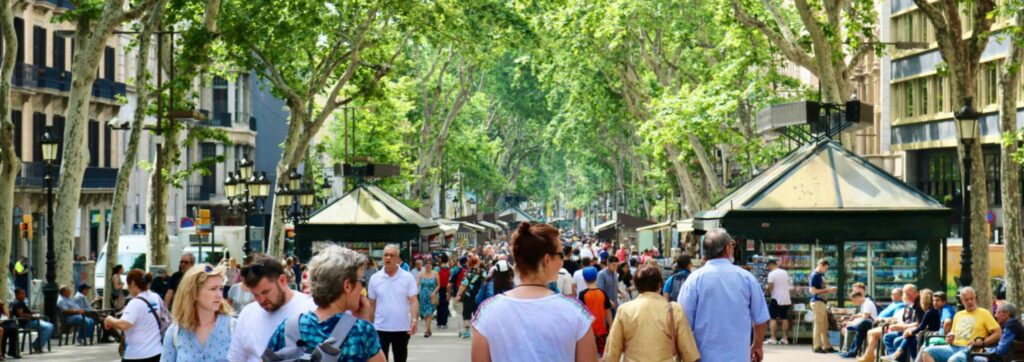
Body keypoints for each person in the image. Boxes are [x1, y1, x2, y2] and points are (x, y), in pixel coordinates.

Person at [471, 222, 597, 362]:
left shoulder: (487, 312)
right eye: (560, 255)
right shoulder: (576, 313)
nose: (562, 261)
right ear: (547, 259)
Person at [265, 245, 383, 361]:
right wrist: (365, 321)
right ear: (347, 285)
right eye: (361, 281)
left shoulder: (288, 327)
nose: (362, 288)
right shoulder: (361, 332)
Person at [677, 228, 770, 362]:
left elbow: (683, 322)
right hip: (738, 357)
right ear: (727, 248)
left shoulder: (694, 279)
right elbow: (760, 318)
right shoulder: (746, 278)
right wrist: (757, 345)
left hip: (703, 356)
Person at [226, 255, 315, 362]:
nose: (261, 300)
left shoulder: (310, 308)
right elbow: (236, 358)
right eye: (255, 294)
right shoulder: (248, 313)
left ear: (282, 281)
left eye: (266, 292)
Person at [605, 265, 700, 362]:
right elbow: (689, 351)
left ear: (637, 286)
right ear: (660, 285)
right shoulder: (674, 309)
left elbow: (612, 351)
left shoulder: (624, 310)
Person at [161, 264, 234, 361]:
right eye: (213, 289)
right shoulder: (176, 331)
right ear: (194, 293)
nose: (219, 295)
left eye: (221, 288)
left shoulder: (233, 328)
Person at [919, 287, 1001, 362]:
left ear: (975, 299)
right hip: (953, 347)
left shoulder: (984, 313)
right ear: (962, 301)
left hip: (970, 349)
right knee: (926, 351)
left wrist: (982, 342)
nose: (970, 302)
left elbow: (998, 333)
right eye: (966, 300)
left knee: (954, 359)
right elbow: (952, 332)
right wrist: (949, 336)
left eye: (971, 299)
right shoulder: (958, 314)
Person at [368, 244, 418, 362]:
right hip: (380, 328)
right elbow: (371, 304)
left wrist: (414, 319)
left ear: (397, 258)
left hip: (401, 328)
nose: (388, 258)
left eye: (392, 255)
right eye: (386, 255)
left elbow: (414, 300)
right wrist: (369, 324)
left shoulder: (407, 277)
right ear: (382, 257)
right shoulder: (375, 278)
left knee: (400, 358)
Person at [103, 269, 166, 362]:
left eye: (128, 285)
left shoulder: (135, 303)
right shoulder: (156, 297)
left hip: (137, 354)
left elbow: (124, 325)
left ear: (132, 283)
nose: (128, 288)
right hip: (157, 352)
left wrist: (109, 319)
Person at [864, 284, 922, 362]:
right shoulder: (908, 305)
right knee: (887, 337)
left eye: (910, 292)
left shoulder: (918, 306)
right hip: (904, 330)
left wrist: (901, 326)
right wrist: (898, 324)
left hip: (914, 332)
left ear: (917, 293)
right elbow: (905, 319)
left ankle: (896, 358)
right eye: (905, 293)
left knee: (897, 340)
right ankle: (894, 359)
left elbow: (918, 323)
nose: (907, 295)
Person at [883, 288, 939, 362]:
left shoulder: (929, 312)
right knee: (907, 338)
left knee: (908, 337)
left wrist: (910, 332)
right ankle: (898, 355)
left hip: (928, 336)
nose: (920, 301)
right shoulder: (932, 310)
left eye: (921, 299)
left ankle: (898, 355)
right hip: (926, 334)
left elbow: (921, 326)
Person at [578, 267, 611, 356]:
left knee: (590, 355)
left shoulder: (582, 294)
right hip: (602, 330)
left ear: (584, 279)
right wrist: (611, 327)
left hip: (588, 331)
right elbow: (608, 312)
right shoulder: (602, 292)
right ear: (596, 277)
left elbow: (582, 314)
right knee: (602, 354)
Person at [809, 258, 838, 353]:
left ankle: (827, 346)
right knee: (818, 324)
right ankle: (817, 346)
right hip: (817, 302)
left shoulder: (820, 275)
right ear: (820, 265)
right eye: (825, 268)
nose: (826, 270)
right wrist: (828, 290)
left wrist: (828, 288)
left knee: (825, 325)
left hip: (822, 302)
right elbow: (812, 291)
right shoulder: (815, 275)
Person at [839, 291, 878, 358]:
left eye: (854, 300)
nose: (854, 303)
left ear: (858, 298)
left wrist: (852, 323)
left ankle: (849, 351)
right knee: (858, 333)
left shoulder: (867, 303)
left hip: (871, 324)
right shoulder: (864, 304)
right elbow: (862, 315)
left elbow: (865, 317)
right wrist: (854, 318)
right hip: (865, 325)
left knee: (858, 327)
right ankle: (851, 352)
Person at [12, 288, 51, 353]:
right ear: (17, 294)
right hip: (27, 323)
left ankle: (37, 345)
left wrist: (32, 313)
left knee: (51, 325)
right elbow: (21, 315)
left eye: (24, 293)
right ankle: (36, 346)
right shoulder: (17, 303)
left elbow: (26, 312)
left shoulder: (22, 302)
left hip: (32, 321)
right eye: (22, 293)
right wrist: (32, 316)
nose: (24, 295)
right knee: (47, 328)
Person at [455, 254, 484, 339]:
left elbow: (463, 284)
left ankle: (467, 332)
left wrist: (458, 294)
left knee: (467, 313)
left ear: (470, 263)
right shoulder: (483, 272)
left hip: (469, 295)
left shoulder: (468, 272)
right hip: (479, 296)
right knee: (478, 313)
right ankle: (479, 332)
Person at [765, 259, 793, 345]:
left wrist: (766, 291)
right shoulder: (784, 272)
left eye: (768, 267)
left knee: (772, 318)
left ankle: (773, 338)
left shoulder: (771, 274)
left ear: (770, 265)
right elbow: (790, 285)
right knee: (784, 318)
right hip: (786, 298)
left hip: (776, 298)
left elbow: (770, 286)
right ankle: (785, 338)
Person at [417, 259, 439, 338]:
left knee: (429, 312)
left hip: (431, 296)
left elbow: (438, 285)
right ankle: (429, 329)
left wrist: (434, 292)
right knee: (425, 314)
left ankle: (426, 331)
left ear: (432, 265)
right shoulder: (421, 274)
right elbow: (417, 284)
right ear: (424, 265)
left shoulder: (435, 273)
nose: (428, 265)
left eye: (430, 263)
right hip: (423, 296)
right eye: (427, 263)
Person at [436, 254, 451, 330]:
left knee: (439, 306)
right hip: (446, 289)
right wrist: (449, 293)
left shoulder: (437, 269)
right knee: (445, 306)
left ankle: (439, 322)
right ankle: (444, 323)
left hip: (438, 288)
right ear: (447, 260)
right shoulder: (450, 269)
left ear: (441, 260)